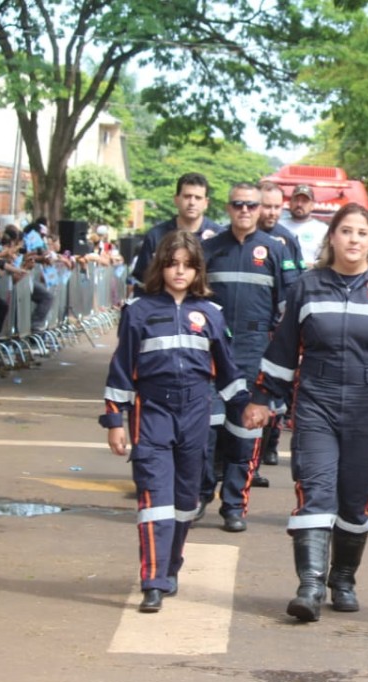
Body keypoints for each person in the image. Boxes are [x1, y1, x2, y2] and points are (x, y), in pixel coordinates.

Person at [242, 203, 368, 622]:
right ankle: (309, 584)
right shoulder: (307, 287)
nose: (354, 239)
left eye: (362, 232)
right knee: (316, 490)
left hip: (367, 408)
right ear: (332, 238)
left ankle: (342, 578)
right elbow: (283, 349)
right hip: (317, 404)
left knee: (356, 500)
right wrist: (262, 397)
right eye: (346, 232)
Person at [100, 230, 248, 613]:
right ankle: (152, 580)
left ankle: (171, 565)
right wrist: (115, 420)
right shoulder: (139, 311)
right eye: (172, 264)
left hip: (197, 412)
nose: (179, 272)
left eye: (187, 265)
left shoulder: (211, 314)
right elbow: (121, 371)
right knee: (154, 497)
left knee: (185, 501)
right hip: (152, 412)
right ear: (160, 267)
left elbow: (228, 372)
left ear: (199, 269)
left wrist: (247, 410)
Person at [197, 183, 289, 531]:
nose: (246, 211)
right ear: (228, 207)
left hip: (253, 354)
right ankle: (202, 492)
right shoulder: (208, 249)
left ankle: (234, 506)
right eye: (239, 204)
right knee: (205, 431)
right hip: (212, 354)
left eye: (252, 205)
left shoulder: (274, 251)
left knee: (245, 434)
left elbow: (287, 312)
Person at [256, 180, 308, 467]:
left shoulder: (287, 240)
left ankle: (269, 445)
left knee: (276, 391)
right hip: (248, 330)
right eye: (267, 206)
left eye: (277, 206)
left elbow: (297, 286)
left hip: (279, 331)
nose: (272, 212)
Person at [131, 172, 223, 285]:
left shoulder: (221, 236)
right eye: (187, 196)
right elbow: (143, 279)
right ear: (176, 199)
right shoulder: (156, 235)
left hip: (206, 301)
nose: (192, 203)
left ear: (206, 203)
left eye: (198, 198)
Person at [285, 184, 329, 267]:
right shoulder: (279, 226)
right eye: (296, 200)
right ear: (290, 203)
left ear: (312, 205)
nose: (299, 204)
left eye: (304, 201)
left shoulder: (323, 230)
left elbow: (327, 261)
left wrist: (308, 266)